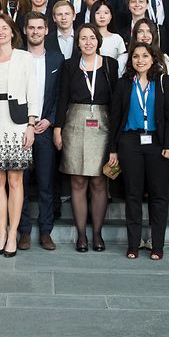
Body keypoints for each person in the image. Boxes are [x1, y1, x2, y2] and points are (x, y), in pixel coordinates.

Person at [0, 14, 38, 257]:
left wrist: (31, 125)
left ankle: (13, 234)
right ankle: (1, 233)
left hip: (18, 124)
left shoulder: (25, 57)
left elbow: (33, 92)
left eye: (5, 28)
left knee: (15, 181)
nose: (0, 31)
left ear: (13, 32)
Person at [111, 42, 169, 260]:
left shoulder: (163, 81)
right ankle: (133, 244)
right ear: (130, 60)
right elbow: (114, 119)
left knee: (158, 196)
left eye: (145, 56)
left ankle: (157, 245)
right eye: (135, 56)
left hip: (157, 144)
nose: (140, 60)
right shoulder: (123, 84)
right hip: (130, 142)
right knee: (133, 194)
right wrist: (113, 149)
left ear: (153, 59)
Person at [53, 24, 118, 252]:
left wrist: (115, 139)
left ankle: (97, 234)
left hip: (102, 122)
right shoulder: (70, 65)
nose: (88, 42)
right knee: (78, 180)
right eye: (83, 38)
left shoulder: (110, 64)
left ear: (98, 41)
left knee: (100, 180)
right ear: (77, 42)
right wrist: (58, 127)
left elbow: (116, 103)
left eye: (92, 38)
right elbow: (61, 98)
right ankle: (81, 235)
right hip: (75, 122)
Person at [17, 12, 63, 250]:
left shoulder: (57, 59)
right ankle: (23, 231)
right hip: (20, 129)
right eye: (31, 27)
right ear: (25, 30)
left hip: (44, 129)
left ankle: (46, 231)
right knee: (20, 182)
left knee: (46, 183)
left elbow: (59, 95)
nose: (35, 31)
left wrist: (50, 120)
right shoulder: (15, 58)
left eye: (39, 28)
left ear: (47, 31)